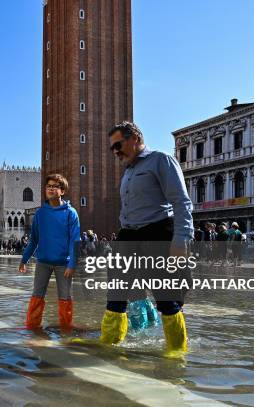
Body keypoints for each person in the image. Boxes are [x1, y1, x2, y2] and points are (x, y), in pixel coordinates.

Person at [103, 121, 193, 355]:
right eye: (112, 148)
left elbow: (181, 202)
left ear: (134, 138)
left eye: (118, 145)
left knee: (166, 296)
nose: (115, 152)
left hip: (157, 231)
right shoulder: (128, 171)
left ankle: (176, 351)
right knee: (116, 291)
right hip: (128, 235)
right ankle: (109, 343)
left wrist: (181, 240)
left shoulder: (161, 160)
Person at [19, 173, 81, 331]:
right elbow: (33, 240)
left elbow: (76, 241)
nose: (51, 189)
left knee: (65, 297)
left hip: (64, 264)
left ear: (62, 191)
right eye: (48, 186)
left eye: (55, 186)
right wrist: (24, 259)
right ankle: (32, 327)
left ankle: (66, 328)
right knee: (37, 295)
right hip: (43, 263)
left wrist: (72, 264)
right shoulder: (40, 213)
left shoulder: (71, 213)